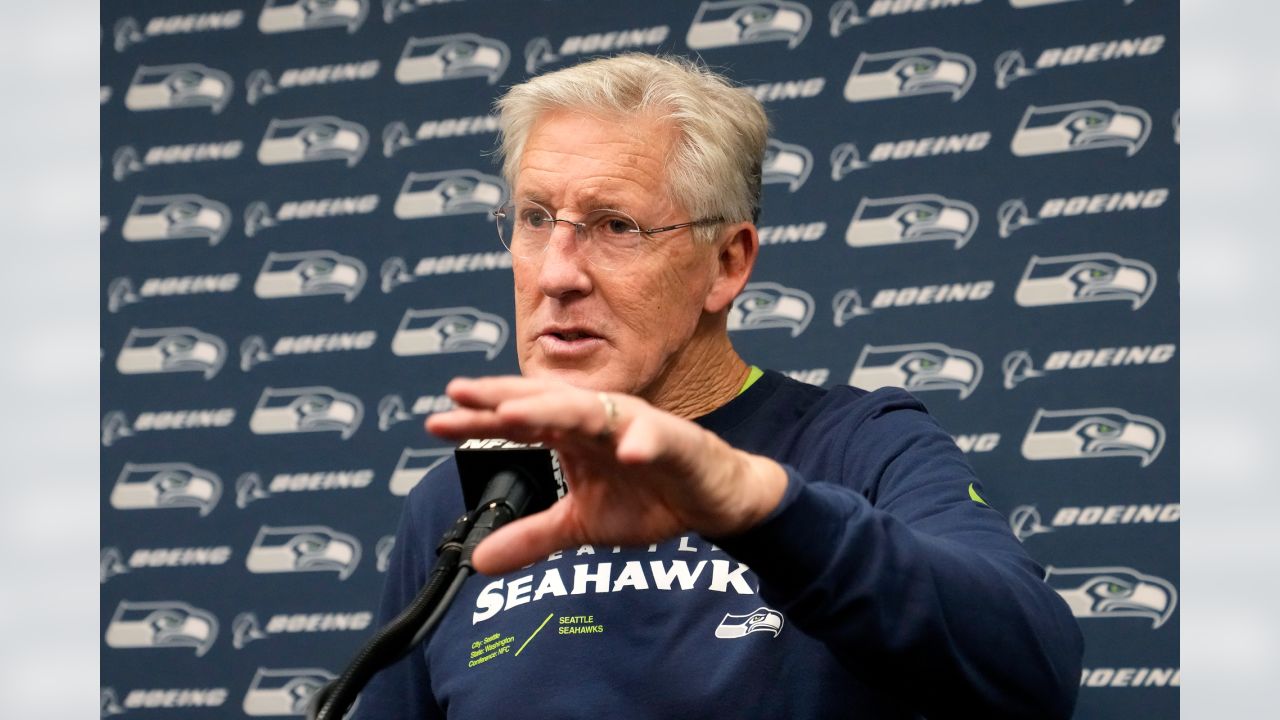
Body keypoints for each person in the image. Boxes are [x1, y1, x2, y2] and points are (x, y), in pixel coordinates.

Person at [357, 53, 1082, 719]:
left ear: (727, 263)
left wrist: (758, 505)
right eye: (536, 219)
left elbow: (1034, 666)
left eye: (616, 225)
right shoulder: (463, 500)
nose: (557, 273)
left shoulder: (860, 447)